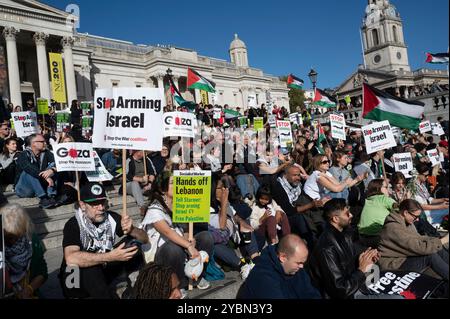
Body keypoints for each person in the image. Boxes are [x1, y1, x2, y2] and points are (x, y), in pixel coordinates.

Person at [59, 182, 148, 299]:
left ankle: (135, 289)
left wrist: (132, 229)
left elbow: (145, 238)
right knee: (90, 265)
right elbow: (71, 258)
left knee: (133, 244)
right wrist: (110, 256)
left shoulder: (110, 217)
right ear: (83, 205)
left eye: (102, 202)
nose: (101, 208)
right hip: (74, 282)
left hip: (102, 270)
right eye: (95, 204)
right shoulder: (73, 224)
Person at [308, 198, 402, 299]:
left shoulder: (346, 231)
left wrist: (368, 256)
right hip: (350, 293)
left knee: (377, 271)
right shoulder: (327, 248)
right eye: (347, 213)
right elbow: (340, 290)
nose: (351, 215)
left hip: (358, 282)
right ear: (335, 219)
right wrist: (361, 270)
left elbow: (352, 257)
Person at [140, 171, 213, 297]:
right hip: (162, 254)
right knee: (174, 247)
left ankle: (196, 276)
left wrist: (190, 240)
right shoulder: (154, 208)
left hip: (181, 248)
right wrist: (188, 246)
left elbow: (184, 228)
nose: (179, 185)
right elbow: (167, 232)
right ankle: (178, 286)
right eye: (173, 183)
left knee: (206, 237)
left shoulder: (180, 203)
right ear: (162, 188)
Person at [378, 199, 449, 281]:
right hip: (393, 264)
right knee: (430, 256)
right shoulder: (393, 228)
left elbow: (418, 238)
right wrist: (443, 240)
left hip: (403, 257)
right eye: (416, 217)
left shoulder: (405, 222)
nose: (417, 220)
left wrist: (437, 240)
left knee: (436, 246)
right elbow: (419, 248)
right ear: (406, 213)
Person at [236, 234, 321, 299]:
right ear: (283, 257)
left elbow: (310, 293)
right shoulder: (263, 277)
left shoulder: (295, 268)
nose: (302, 266)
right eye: (299, 262)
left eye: (303, 263)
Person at [1, 204, 48, 299]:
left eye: (16, 236)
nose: (12, 241)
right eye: (8, 237)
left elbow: (42, 272)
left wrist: (29, 289)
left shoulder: (31, 240)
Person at [15, 134, 58, 209]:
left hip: (40, 184)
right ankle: (43, 198)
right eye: (42, 141)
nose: (45, 143)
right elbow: (28, 167)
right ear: (33, 143)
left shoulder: (46, 152)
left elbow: (58, 162)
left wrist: (52, 170)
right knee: (28, 171)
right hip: (24, 189)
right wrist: (45, 177)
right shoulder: (23, 154)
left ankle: (51, 196)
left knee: (53, 165)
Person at [358, 179, 397, 248]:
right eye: (385, 187)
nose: (388, 190)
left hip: (361, 236)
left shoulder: (368, 200)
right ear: (378, 188)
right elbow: (402, 210)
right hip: (378, 236)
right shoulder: (383, 199)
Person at [124, 150, 156, 216]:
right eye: (143, 151)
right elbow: (126, 176)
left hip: (144, 185)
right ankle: (142, 206)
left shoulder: (146, 159)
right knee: (134, 183)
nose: (145, 153)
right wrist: (141, 179)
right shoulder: (128, 160)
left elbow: (153, 173)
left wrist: (150, 183)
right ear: (137, 152)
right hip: (130, 185)